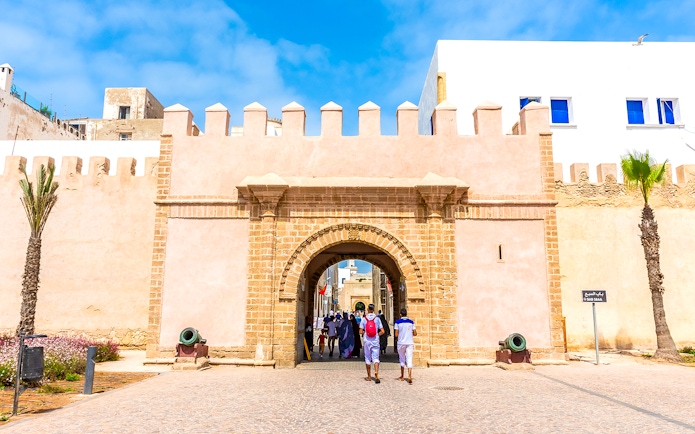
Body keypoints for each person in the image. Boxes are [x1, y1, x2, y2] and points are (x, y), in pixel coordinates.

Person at [359, 303, 384, 384]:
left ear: (368, 309)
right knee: (376, 358)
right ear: (373, 309)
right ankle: (376, 372)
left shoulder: (364, 319)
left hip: (367, 340)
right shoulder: (377, 319)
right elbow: (382, 331)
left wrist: (365, 332)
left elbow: (360, 331)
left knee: (367, 357)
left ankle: (369, 376)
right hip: (375, 340)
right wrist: (376, 334)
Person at [394, 307, 417, 384]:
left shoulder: (397, 322)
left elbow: (396, 334)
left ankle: (402, 375)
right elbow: (415, 333)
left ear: (400, 314)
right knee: (409, 358)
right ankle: (410, 376)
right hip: (410, 342)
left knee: (402, 358)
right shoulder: (411, 322)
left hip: (401, 343)